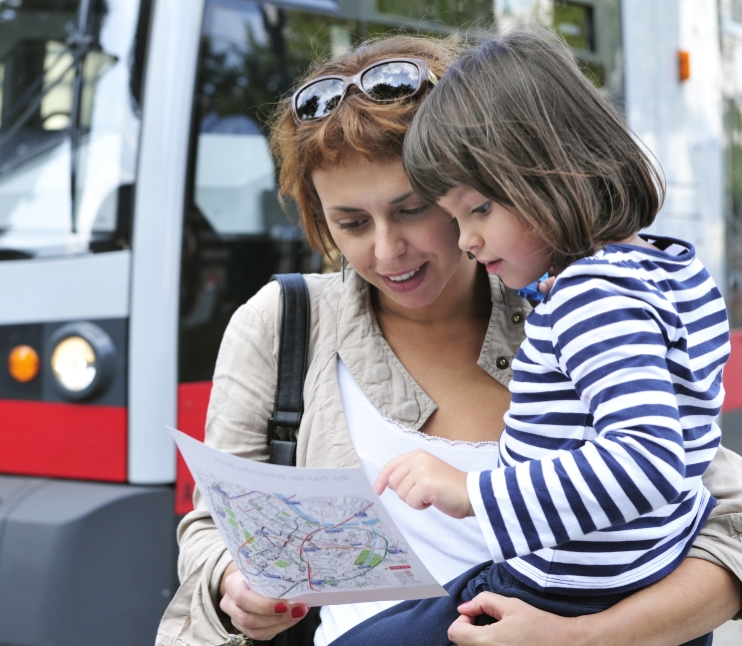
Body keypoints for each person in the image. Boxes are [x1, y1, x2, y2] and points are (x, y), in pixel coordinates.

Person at [155, 34, 742, 646]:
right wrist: (233, 584)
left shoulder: (572, 302)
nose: (385, 251)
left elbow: (723, 515)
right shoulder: (281, 321)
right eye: (350, 223)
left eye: (413, 210)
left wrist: (586, 637)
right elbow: (213, 526)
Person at [331, 28, 727, 646]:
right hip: (644, 576)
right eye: (455, 217)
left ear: (558, 173)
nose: (466, 240)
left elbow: (648, 456)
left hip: (562, 592)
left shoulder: (590, 296)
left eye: (479, 209)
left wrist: (472, 491)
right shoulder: (672, 268)